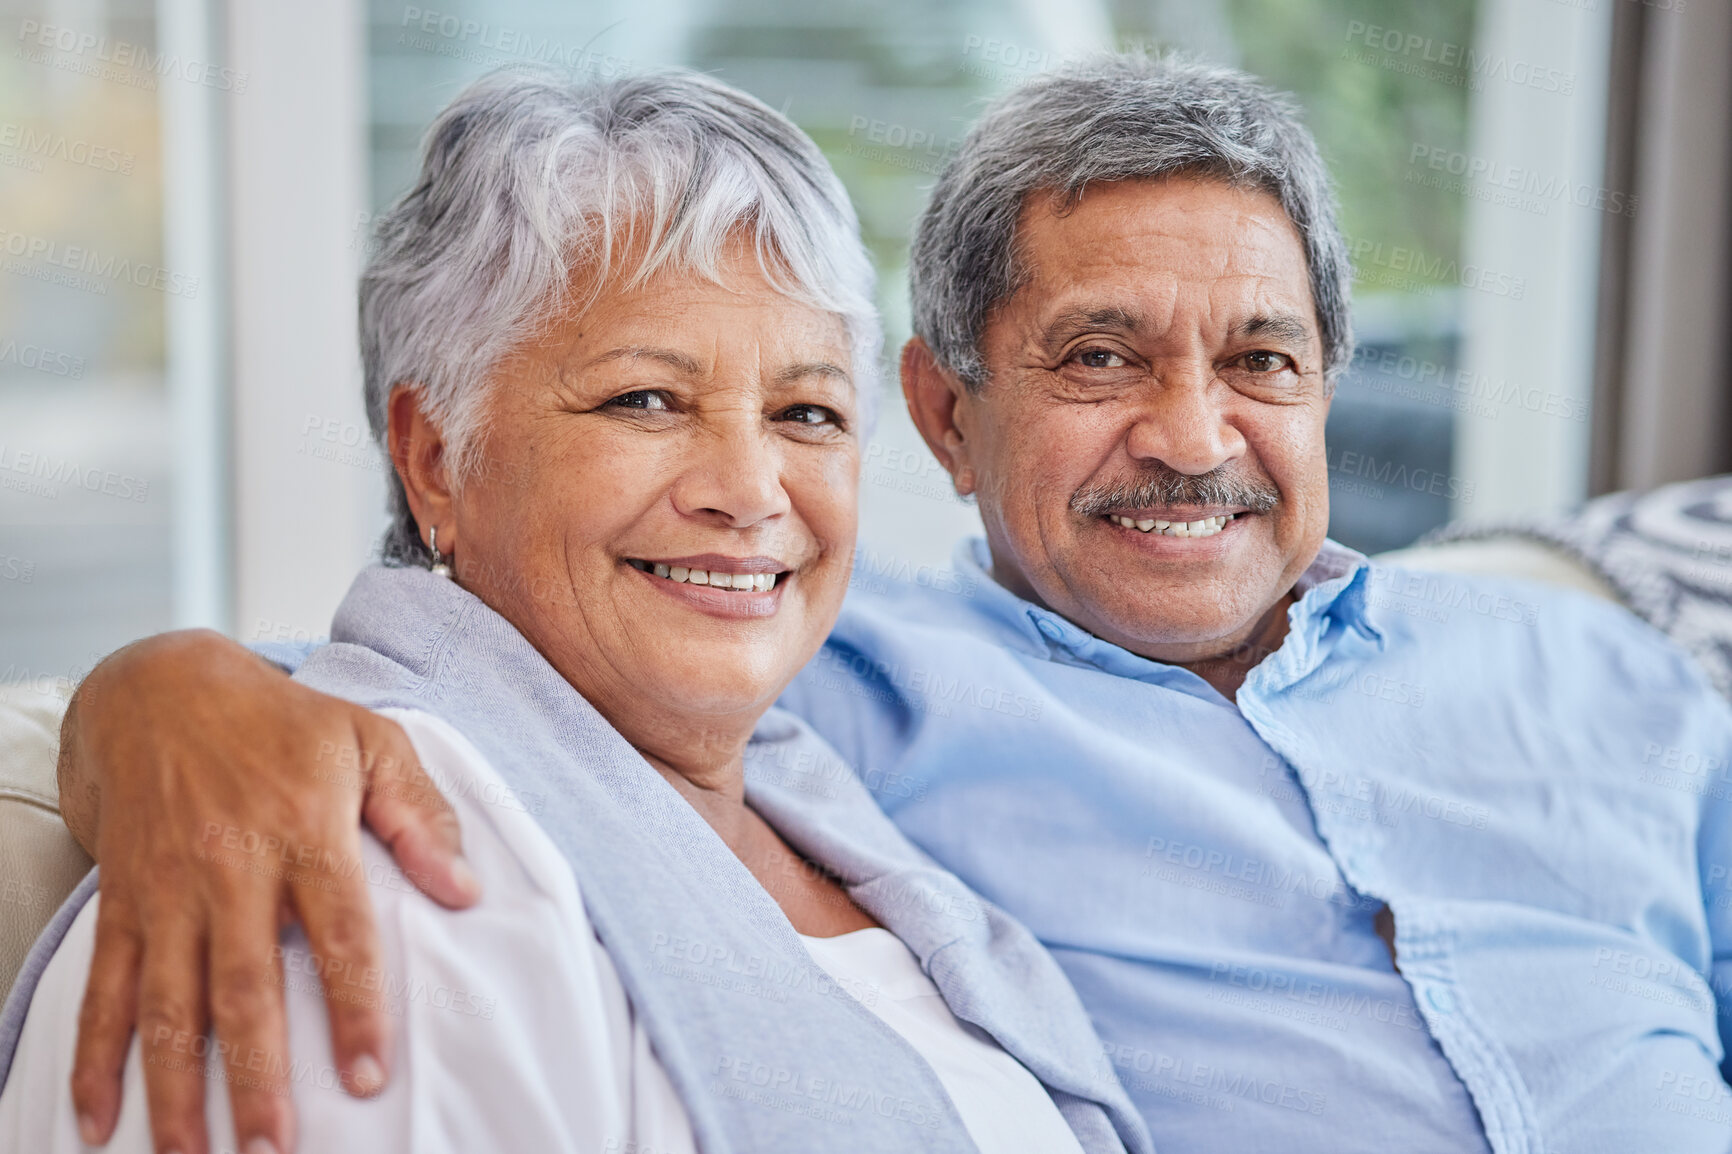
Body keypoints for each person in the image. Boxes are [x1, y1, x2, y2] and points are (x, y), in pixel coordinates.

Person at [21, 50, 1732, 1153]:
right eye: (1100, 357)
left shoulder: (1602, 665)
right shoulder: (846, 679)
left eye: (1261, 361)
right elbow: (438, 682)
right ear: (946, 414)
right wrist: (154, 686)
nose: (1195, 434)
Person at [0, 68, 1151, 1154]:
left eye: (805, 412)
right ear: (437, 458)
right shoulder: (352, 870)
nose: (750, 491)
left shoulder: (844, 761)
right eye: (646, 397)